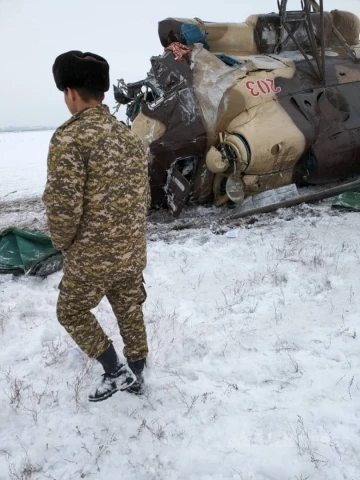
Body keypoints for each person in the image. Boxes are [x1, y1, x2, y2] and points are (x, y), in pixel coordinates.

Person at [43, 50, 150, 402]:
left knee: (71, 310)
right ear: (102, 91)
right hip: (131, 248)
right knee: (129, 306)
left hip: (91, 256)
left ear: (70, 92)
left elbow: (62, 208)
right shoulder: (128, 136)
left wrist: (63, 244)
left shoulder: (70, 138)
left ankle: (115, 371)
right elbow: (143, 198)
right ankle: (138, 373)